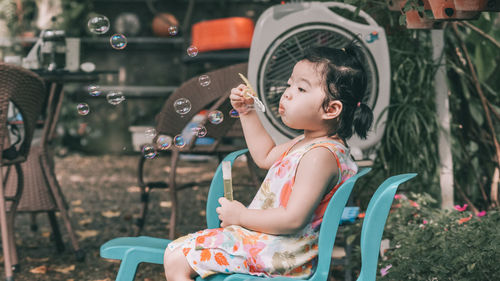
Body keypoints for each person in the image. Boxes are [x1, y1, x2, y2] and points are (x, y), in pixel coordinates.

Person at [163, 43, 374, 281]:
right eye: (289, 84)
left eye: (301, 89)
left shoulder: (320, 156)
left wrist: (241, 217)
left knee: (177, 256)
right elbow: (265, 156)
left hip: (282, 254)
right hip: (273, 246)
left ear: (331, 109)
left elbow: (293, 219)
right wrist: (247, 111)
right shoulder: (309, 144)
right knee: (179, 250)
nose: (288, 93)